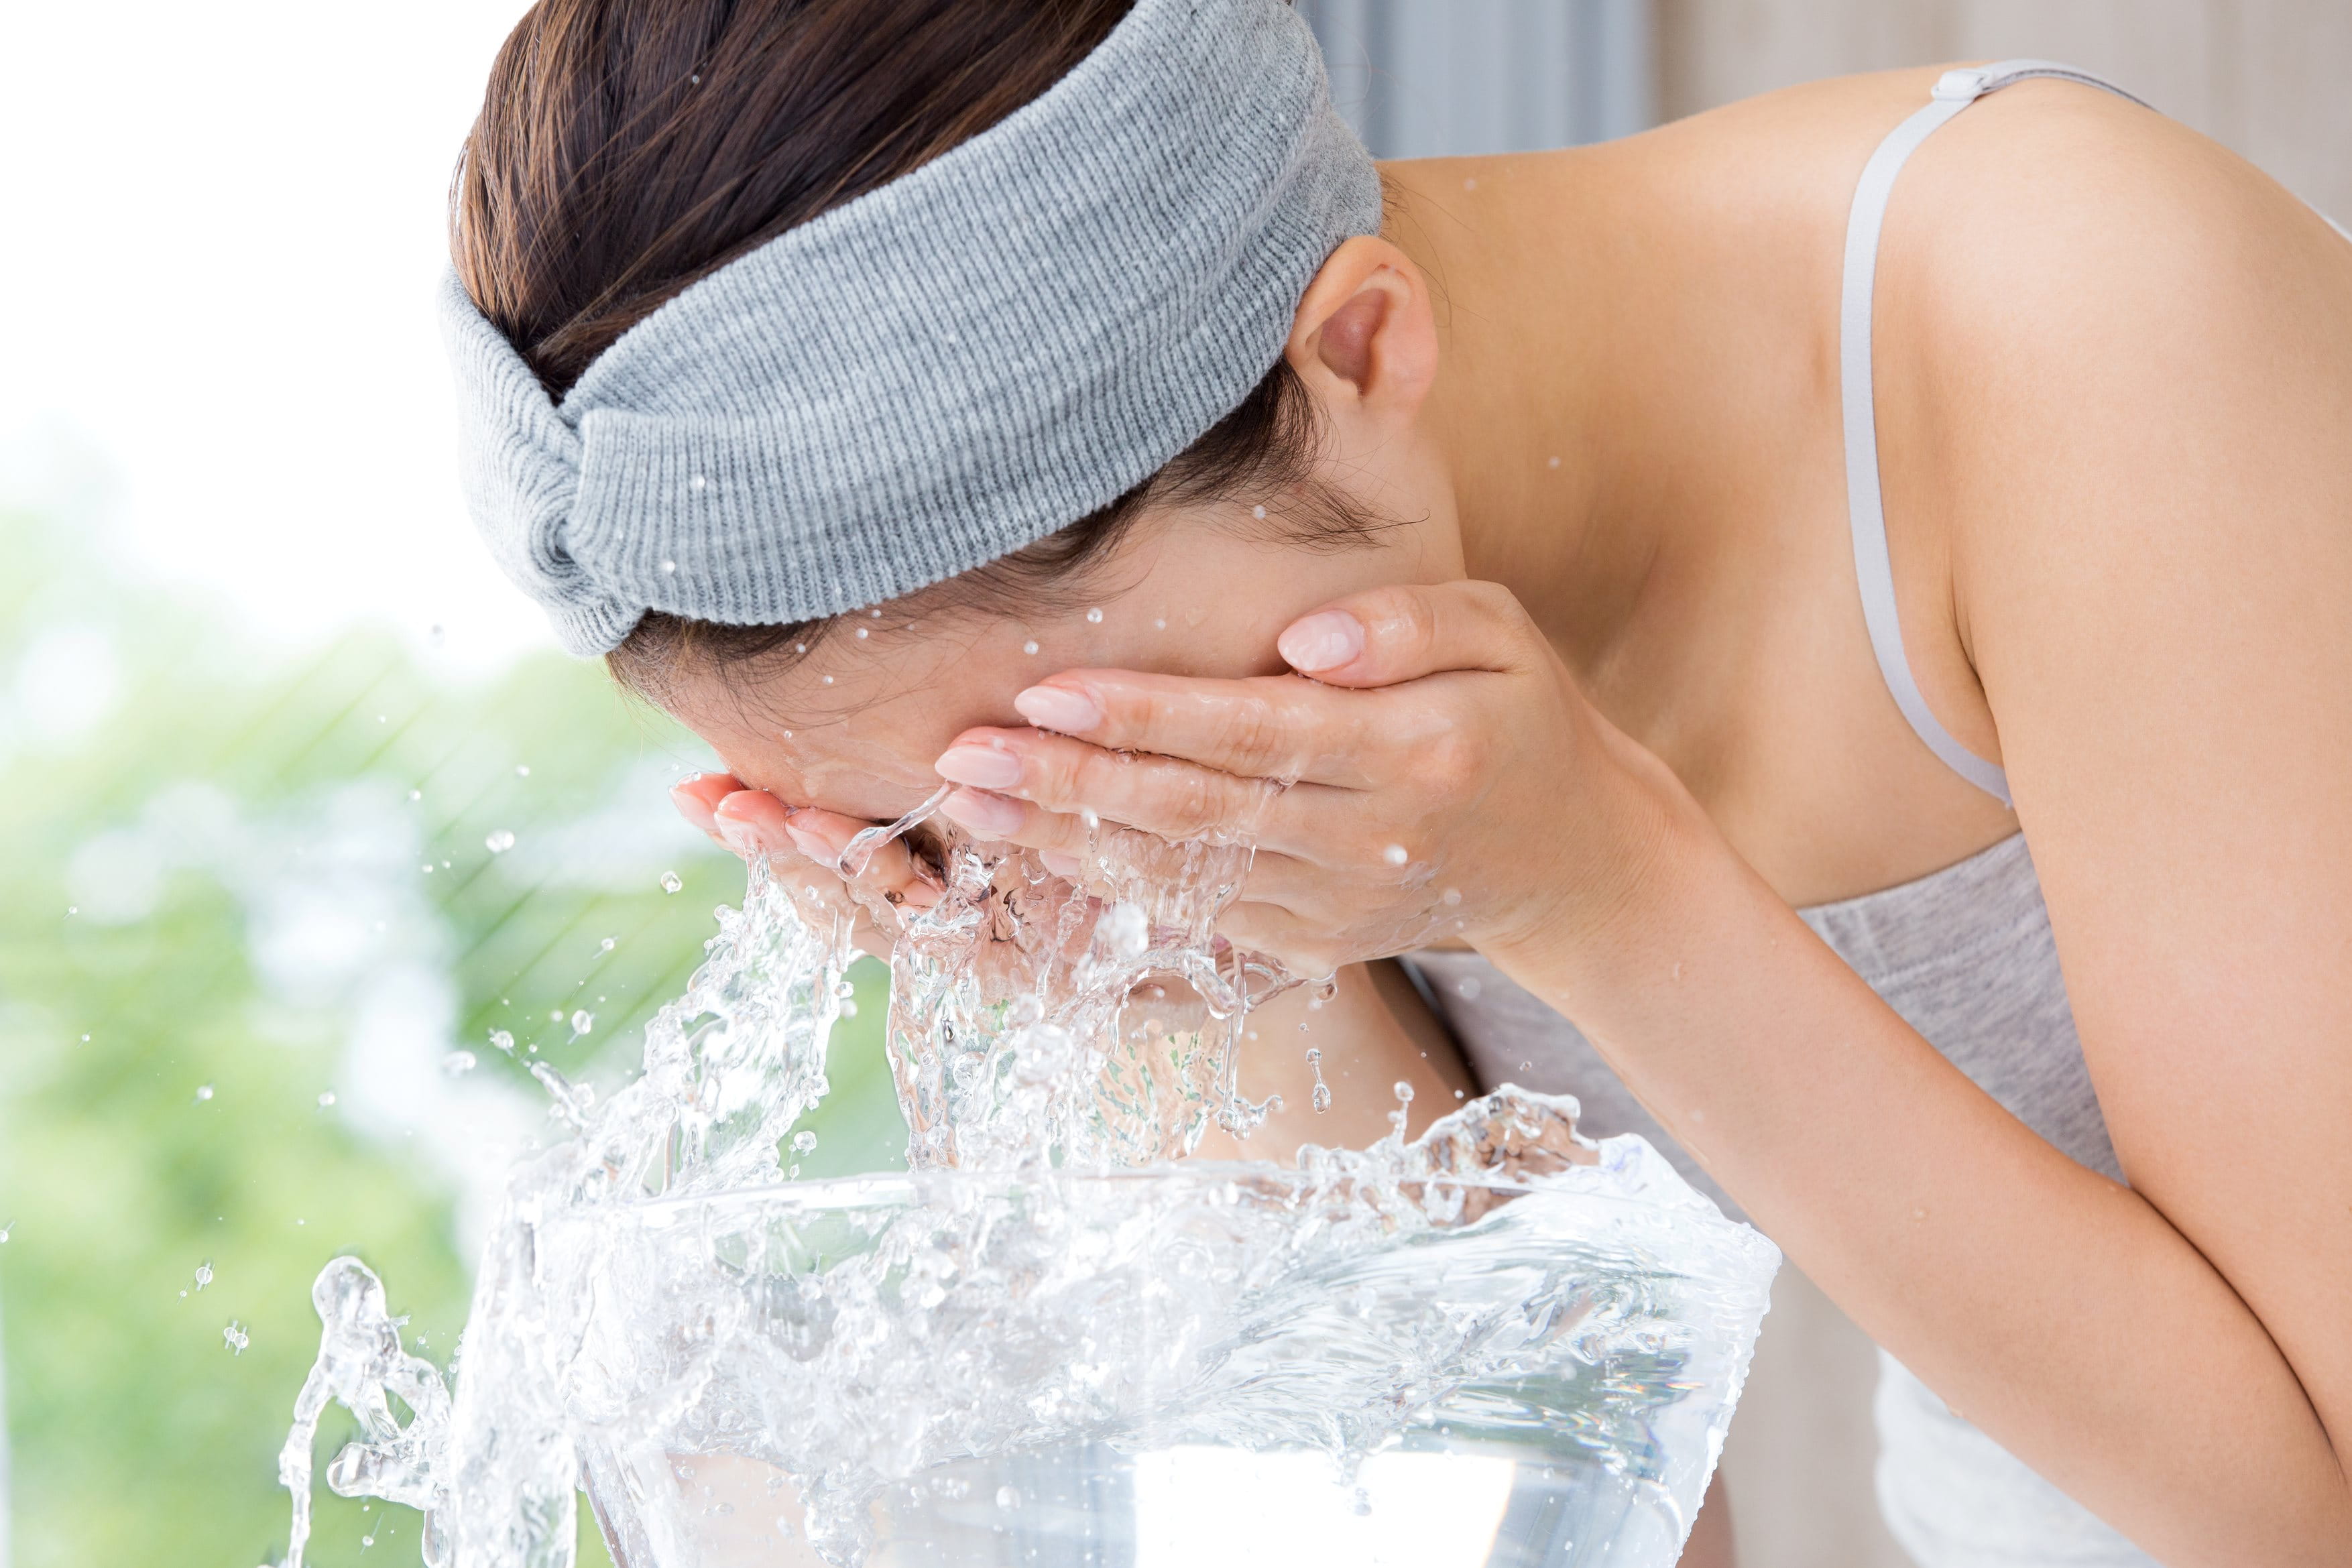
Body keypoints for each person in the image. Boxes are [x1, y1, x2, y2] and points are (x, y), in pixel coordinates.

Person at [438, 2, 2352, 1564]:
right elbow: (1592, 1534)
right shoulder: (1224, 694)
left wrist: (1605, 892)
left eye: (1104, 767)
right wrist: (1227, 996)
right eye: (929, 827)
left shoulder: (2071, 312)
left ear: (1359, 347)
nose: (1096, 859)